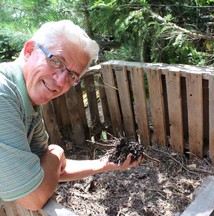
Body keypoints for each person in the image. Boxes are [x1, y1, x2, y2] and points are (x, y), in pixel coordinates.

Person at [0, 20, 141, 211]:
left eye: (72, 76)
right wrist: (57, 152)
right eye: (56, 61)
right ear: (29, 50)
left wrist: (104, 164)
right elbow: (32, 198)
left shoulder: (28, 103)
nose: (60, 81)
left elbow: (49, 168)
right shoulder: (3, 94)